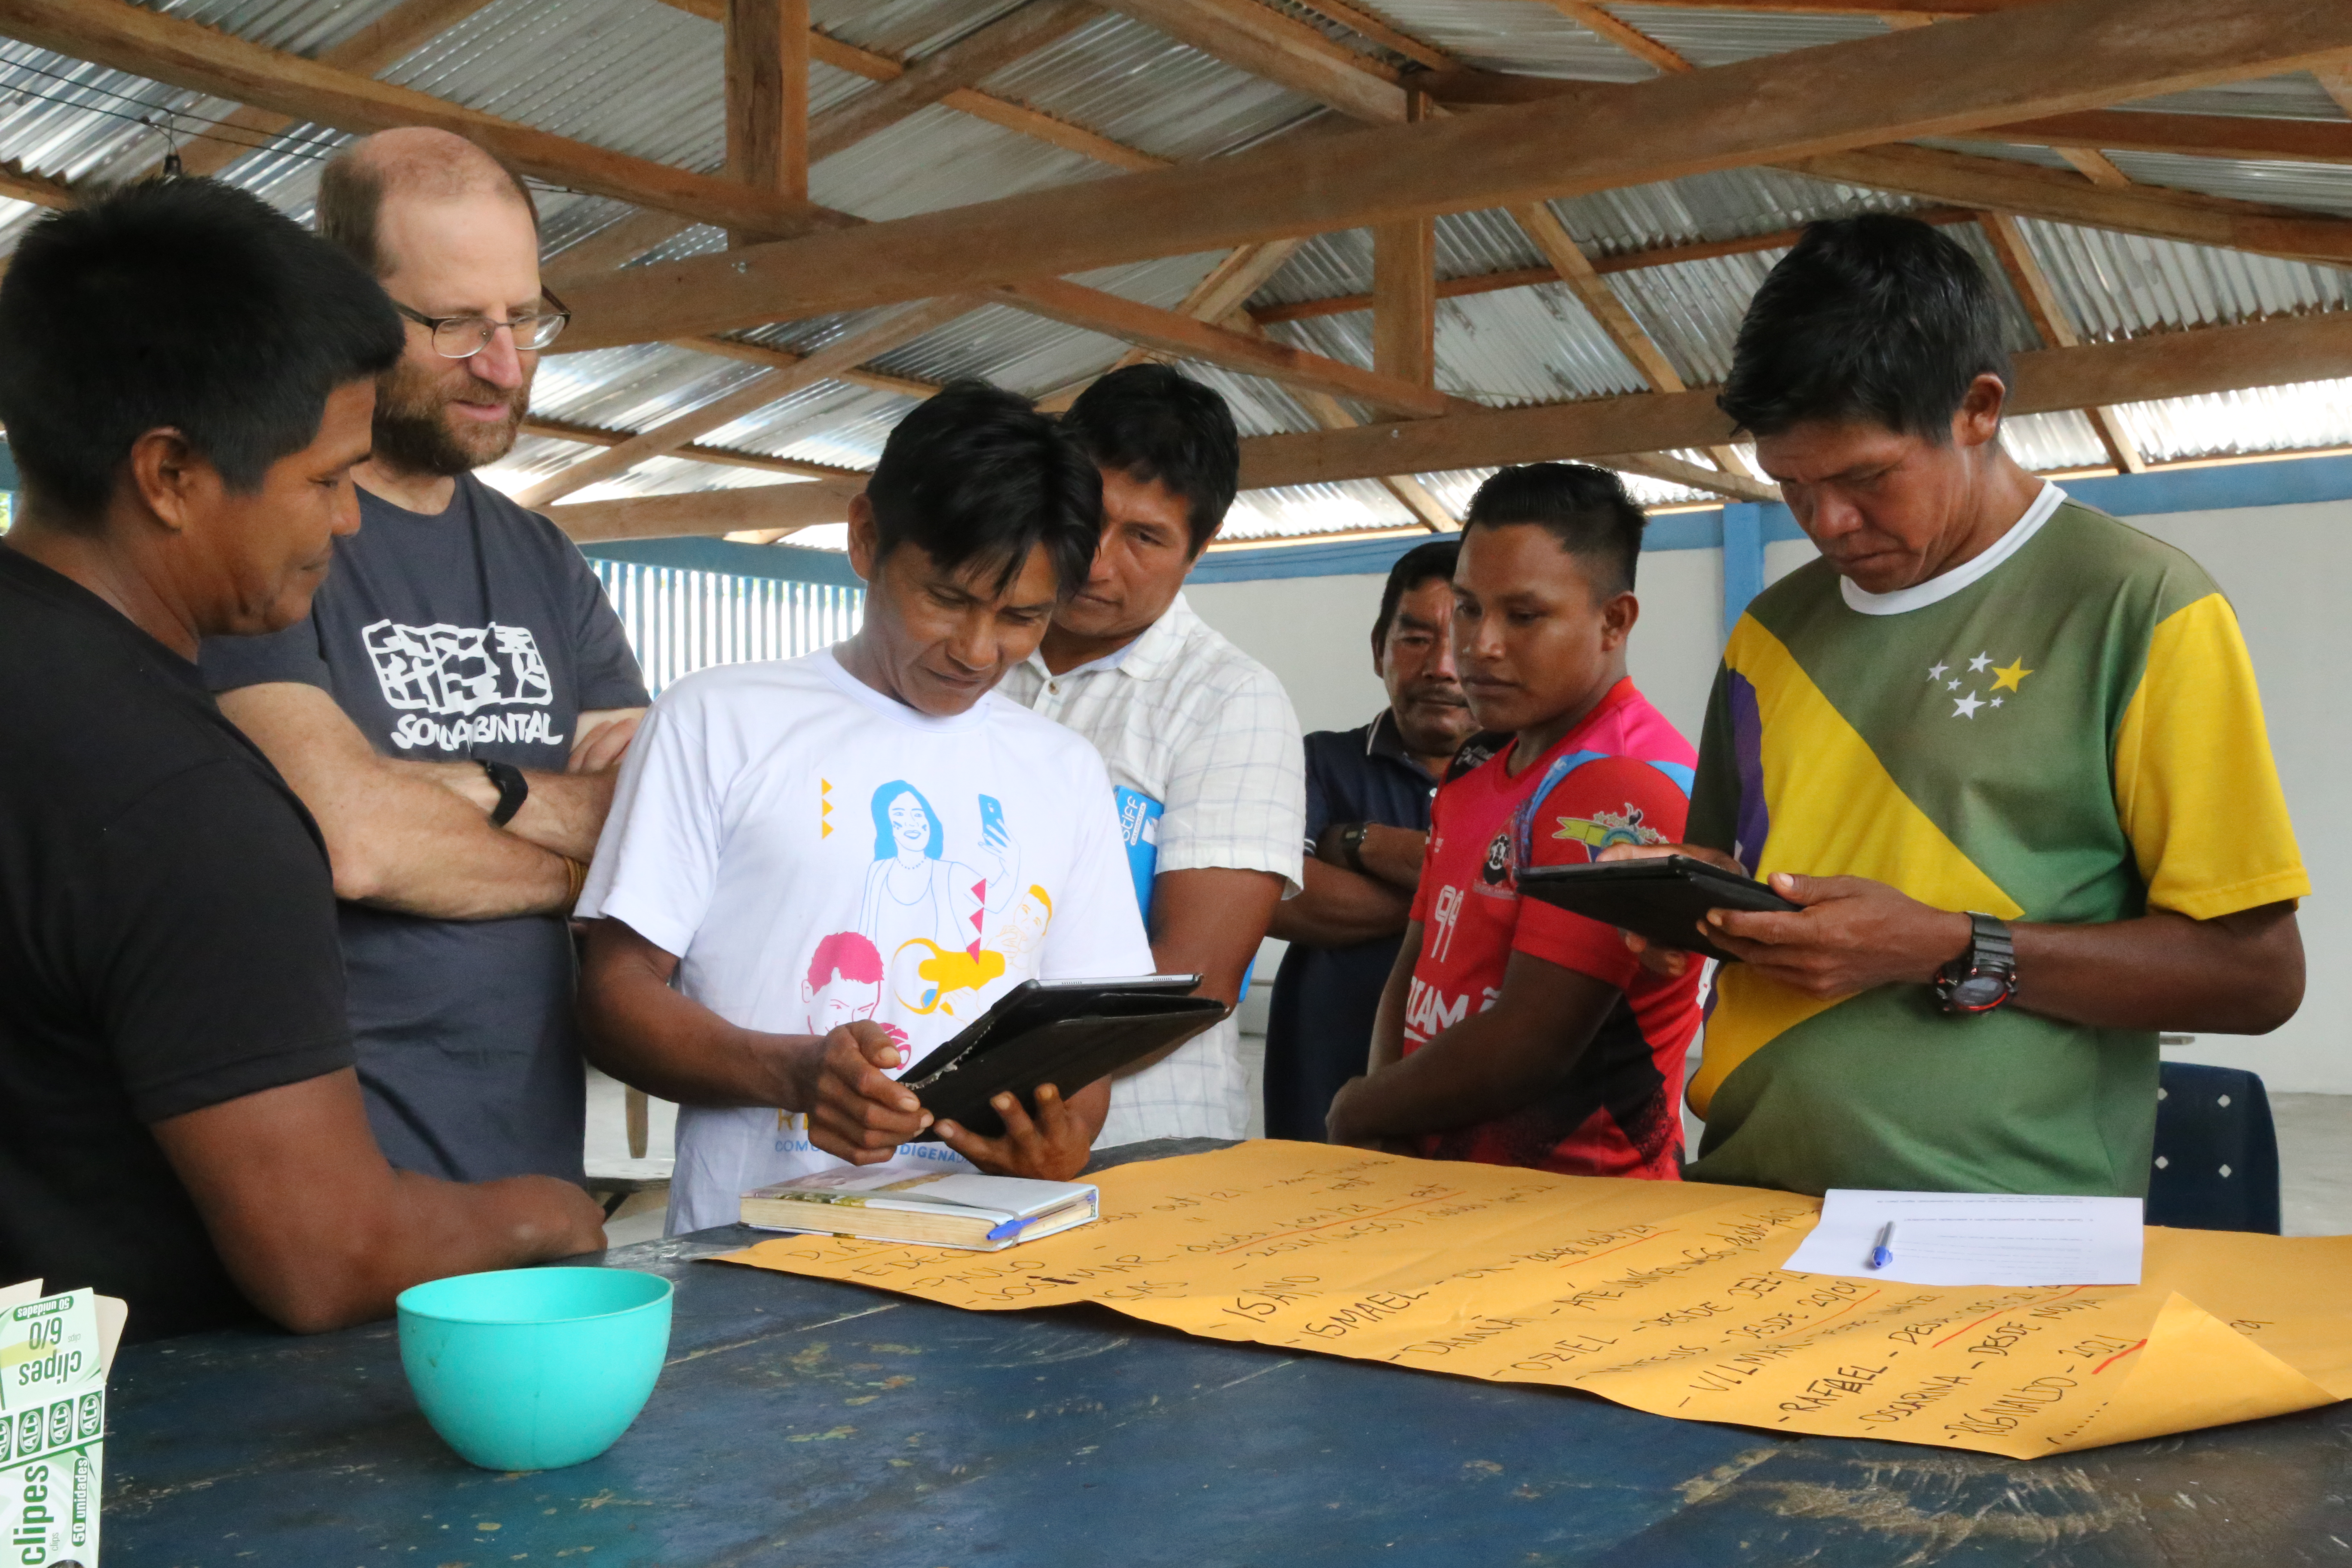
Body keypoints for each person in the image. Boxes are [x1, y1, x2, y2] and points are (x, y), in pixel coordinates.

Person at [0, 179, 605, 1341]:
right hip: (125, 1426)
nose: (346, 523)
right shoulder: (190, 800)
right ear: (171, 476)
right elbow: (332, 1255)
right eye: (326, 481)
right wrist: (550, 1215)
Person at [1614, 214, 2306, 1197]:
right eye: (1791, 486)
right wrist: (1683, 908)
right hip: (1746, 1192)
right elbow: (1730, 877)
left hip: (2006, 1225)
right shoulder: (1770, 632)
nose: (1829, 523)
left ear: (1979, 408)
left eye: (1866, 477)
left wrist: (1950, 947)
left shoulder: (2137, 606)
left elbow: (2258, 977)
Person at [575, 382, 1157, 1235]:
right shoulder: (719, 719)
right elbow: (614, 997)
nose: (977, 649)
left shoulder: (1063, 770)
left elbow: (1087, 1038)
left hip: (986, 1255)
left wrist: (1060, 1138)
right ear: (866, 538)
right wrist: (793, 1074)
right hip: (754, 1255)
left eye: (1022, 616)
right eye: (947, 599)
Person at [200, 129, 650, 1186]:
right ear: (347, 307)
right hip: (331, 1190)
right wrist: (575, 871)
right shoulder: (265, 534)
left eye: (524, 317)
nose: (505, 366)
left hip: (531, 1176)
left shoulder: (543, 556)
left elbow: (651, 814)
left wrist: (470, 791)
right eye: (454, 325)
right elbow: (354, 839)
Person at [1326, 466, 1704, 1178]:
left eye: (1523, 617)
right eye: (1469, 609)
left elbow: (1531, 1043)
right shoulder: (1478, 761)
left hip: (1573, 1211)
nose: (1479, 645)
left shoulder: (1621, 783)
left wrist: (1359, 1109)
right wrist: (1386, 1120)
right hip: (1439, 1186)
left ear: (1614, 622)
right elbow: (1417, 960)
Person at [1001, 364, 1305, 1146]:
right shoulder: (975, 661)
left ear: (1200, 547)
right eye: (1087, 518)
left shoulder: (1229, 700)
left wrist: (986, 1083)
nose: (1097, 562)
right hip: (947, 1127)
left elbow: (1196, 978)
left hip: (1142, 1144)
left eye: (1144, 537)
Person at [1262, 540, 1479, 1141]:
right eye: (1416, 639)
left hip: (1476, 1107)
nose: (1441, 666)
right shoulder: (1319, 761)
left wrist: (1363, 844)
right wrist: (1467, 898)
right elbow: (1278, 899)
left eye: (1461, 641)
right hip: (1324, 1096)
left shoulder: (1530, 781)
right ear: (1378, 649)